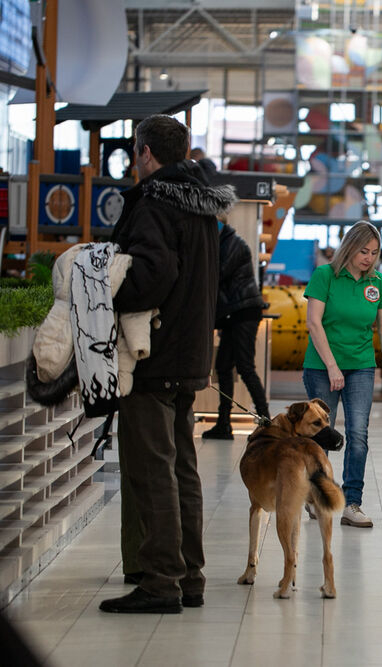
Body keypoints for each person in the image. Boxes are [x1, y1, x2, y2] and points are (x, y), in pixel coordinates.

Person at [100, 114, 236, 614]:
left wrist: (108, 284)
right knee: (181, 468)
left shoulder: (156, 203)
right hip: (190, 352)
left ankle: (160, 583)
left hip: (152, 355)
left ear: (145, 153)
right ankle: (189, 577)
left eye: (136, 152)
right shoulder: (200, 205)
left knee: (152, 469)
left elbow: (152, 276)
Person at [302, 221, 382, 527]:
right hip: (321, 365)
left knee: (358, 433)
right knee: (322, 433)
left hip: (360, 365)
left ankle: (352, 502)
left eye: (374, 252)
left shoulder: (378, 283)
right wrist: (332, 366)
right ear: (349, 247)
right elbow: (314, 323)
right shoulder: (325, 276)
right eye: (363, 251)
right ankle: (318, 496)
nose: (368, 258)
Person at [202, 216, 270, 439]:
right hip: (233, 314)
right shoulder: (223, 243)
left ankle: (266, 423)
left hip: (244, 312)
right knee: (223, 366)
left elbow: (215, 275)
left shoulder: (233, 244)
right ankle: (224, 424)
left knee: (245, 367)